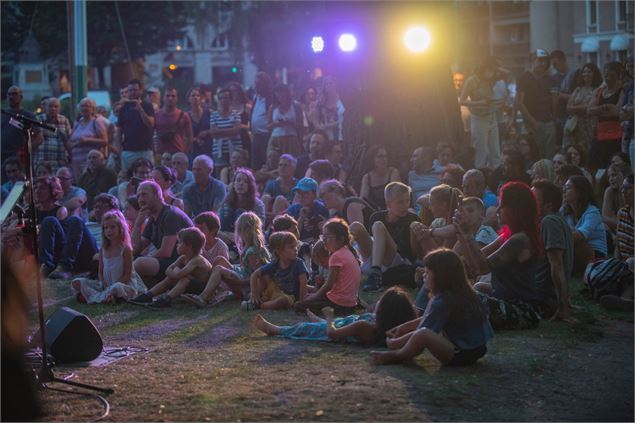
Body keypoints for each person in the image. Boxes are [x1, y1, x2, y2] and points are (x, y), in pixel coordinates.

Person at [370, 249, 493, 366]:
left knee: (423, 334)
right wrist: (404, 327)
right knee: (427, 332)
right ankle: (398, 352)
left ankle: (397, 355)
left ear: (441, 276)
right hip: (479, 349)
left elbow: (423, 332)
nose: (424, 275)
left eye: (427, 272)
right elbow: (428, 317)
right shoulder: (464, 292)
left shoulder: (442, 301)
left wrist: (396, 343)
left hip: (460, 354)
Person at [454, 182, 543, 330]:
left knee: (463, 296)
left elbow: (483, 267)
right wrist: (461, 234)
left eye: (502, 206)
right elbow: (474, 265)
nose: (498, 210)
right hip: (504, 301)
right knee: (478, 288)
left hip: (522, 311)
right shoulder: (507, 236)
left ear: (516, 210)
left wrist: (468, 234)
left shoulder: (520, 240)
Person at [254, 287, 416, 347]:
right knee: (334, 322)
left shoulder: (365, 327)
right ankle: (320, 321)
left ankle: (274, 329)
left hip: (334, 331)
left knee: (303, 328)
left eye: (380, 303)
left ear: (385, 312)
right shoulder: (382, 328)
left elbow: (332, 333)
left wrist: (330, 316)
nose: (377, 303)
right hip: (344, 325)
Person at [184, 212, 270, 305]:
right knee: (219, 260)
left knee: (219, 269)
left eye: (240, 230)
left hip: (247, 287)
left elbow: (260, 275)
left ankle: (203, 297)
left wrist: (245, 286)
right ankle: (211, 292)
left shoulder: (252, 252)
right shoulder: (248, 247)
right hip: (243, 275)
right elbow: (246, 269)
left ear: (244, 231)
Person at [350, 182, 420, 291]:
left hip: (398, 263)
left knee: (378, 225)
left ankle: (375, 273)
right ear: (388, 204)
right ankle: (346, 265)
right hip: (376, 260)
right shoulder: (377, 216)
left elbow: (413, 253)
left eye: (407, 201)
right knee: (355, 226)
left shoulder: (412, 219)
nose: (405, 205)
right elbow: (372, 241)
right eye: (400, 202)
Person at [71, 210, 145, 304]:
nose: (108, 230)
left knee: (117, 287)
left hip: (123, 285)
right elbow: (100, 272)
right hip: (106, 285)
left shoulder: (125, 249)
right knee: (77, 282)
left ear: (120, 228)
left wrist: (112, 287)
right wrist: (105, 285)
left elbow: (127, 275)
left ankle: (99, 297)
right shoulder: (103, 249)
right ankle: (106, 296)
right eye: (105, 228)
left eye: (112, 227)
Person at [131, 227, 213, 308]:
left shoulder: (197, 259)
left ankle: (167, 299)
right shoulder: (183, 257)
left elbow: (179, 274)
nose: (177, 245)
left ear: (189, 246)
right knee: (170, 278)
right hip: (190, 286)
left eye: (180, 243)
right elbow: (167, 271)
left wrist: (176, 271)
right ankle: (148, 295)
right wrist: (176, 273)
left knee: (184, 279)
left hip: (202, 289)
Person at [293, 218, 361, 315]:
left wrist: (315, 296)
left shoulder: (336, 256)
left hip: (338, 304)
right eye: (322, 237)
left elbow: (329, 285)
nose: (323, 240)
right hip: (351, 304)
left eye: (327, 237)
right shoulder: (347, 252)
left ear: (341, 239)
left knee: (299, 305)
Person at [36, 177, 98, 280]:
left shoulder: (61, 210)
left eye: (42, 188)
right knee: (49, 220)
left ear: (53, 191)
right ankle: (46, 266)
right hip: (60, 255)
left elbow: (78, 201)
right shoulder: (31, 210)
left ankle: (64, 267)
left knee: (74, 220)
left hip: (79, 252)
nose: (37, 191)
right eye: (36, 188)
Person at [132, 180, 193, 283]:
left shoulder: (170, 214)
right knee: (127, 259)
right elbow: (136, 249)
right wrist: (137, 224)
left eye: (144, 195)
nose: (140, 199)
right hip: (169, 262)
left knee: (139, 263)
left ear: (157, 195)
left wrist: (145, 259)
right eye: (138, 196)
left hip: (182, 264)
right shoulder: (153, 218)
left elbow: (165, 252)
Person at [531, 180, 575, 321]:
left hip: (542, 299)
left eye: (534, 199)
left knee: (482, 288)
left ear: (548, 205)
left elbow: (557, 266)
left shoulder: (549, 222)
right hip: (543, 296)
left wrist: (563, 309)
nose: (529, 203)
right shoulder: (555, 220)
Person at [241, 231, 309, 310]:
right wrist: (254, 293)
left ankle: (259, 305)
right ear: (279, 251)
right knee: (264, 276)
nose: (296, 249)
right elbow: (254, 275)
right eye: (291, 247)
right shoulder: (275, 264)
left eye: (296, 246)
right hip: (275, 291)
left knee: (283, 300)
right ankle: (256, 300)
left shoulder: (299, 263)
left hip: (290, 296)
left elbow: (303, 281)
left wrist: (301, 302)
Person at [511, 49, 556, 159]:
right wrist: (532, 122)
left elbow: (553, 99)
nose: (543, 64)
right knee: (535, 153)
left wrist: (553, 118)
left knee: (550, 154)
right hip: (533, 122)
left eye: (545, 61)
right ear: (532, 61)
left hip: (549, 121)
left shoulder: (549, 79)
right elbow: (519, 103)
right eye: (540, 61)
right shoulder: (523, 78)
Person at [600, 174, 634, 311]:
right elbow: (619, 245)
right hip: (625, 266)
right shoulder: (623, 213)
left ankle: (625, 301)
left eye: (628, 188)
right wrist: (615, 264)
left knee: (631, 264)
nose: (623, 191)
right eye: (622, 188)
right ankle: (626, 302)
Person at [460, 57, 502, 169]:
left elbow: (506, 72)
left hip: (492, 116)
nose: (491, 73)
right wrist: (479, 103)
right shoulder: (472, 80)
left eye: (494, 71)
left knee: (495, 149)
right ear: (483, 68)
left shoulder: (492, 79)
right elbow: (462, 101)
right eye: (490, 70)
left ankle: (496, 173)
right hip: (479, 118)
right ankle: (479, 172)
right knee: (481, 150)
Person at [561, 175, 608, 274]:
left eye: (568, 188)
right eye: (564, 188)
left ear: (580, 192)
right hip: (575, 252)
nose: (564, 191)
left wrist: (559, 232)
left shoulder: (592, 212)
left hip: (596, 255)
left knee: (577, 241)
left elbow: (580, 236)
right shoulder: (565, 211)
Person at [587, 62, 625, 173]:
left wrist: (598, 110)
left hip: (616, 135)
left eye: (611, 75)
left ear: (618, 75)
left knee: (613, 166)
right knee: (592, 165)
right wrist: (606, 107)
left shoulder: (622, 90)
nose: (608, 78)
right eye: (606, 75)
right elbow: (589, 110)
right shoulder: (599, 91)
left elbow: (618, 111)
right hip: (599, 134)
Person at [1, 86, 42, 180]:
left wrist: (25, 150)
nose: (11, 96)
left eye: (14, 94)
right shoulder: (3, 114)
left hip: (20, 160)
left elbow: (39, 138)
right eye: (9, 94)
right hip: (3, 160)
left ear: (21, 97)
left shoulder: (27, 116)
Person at [115, 79, 155, 173]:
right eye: (130, 90)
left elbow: (150, 124)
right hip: (128, 151)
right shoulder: (123, 108)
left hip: (145, 150)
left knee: (147, 178)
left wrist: (140, 109)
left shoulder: (147, 106)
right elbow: (119, 130)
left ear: (141, 90)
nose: (132, 92)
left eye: (135, 90)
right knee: (128, 178)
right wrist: (119, 150)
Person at [563, 63, 603, 154]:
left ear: (594, 74)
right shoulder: (578, 89)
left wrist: (576, 108)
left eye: (589, 72)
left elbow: (590, 107)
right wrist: (583, 107)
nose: (586, 74)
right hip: (575, 124)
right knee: (573, 150)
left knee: (587, 150)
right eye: (584, 72)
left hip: (590, 125)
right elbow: (568, 108)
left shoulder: (597, 89)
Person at [218, 168, 265, 241]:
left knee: (241, 212)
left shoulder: (258, 204)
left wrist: (236, 237)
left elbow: (259, 228)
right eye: (238, 180)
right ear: (233, 184)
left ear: (250, 186)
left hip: (247, 239)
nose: (241, 183)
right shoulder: (226, 201)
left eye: (245, 181)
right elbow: (219, 223)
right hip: (226, 237)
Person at [201, 88, 242, 169]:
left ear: (230, 100)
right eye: (221, 98)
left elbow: (237, 131)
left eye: (225, 98)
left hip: (235, 150)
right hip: (219, 151)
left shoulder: (235, 114)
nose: (223, 100)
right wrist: (230, 130)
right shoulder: (214, 115)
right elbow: (213, 133)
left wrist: (219, 131)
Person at [70, 98, 108, 180]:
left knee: (89, 183)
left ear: (93, 109)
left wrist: (88, 140)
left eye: (87, 106)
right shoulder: (77, 123)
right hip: (76, 161)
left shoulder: (96, 122)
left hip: (91, 161)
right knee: (79, 183)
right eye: (82, 106)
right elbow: (70, 140)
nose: (84, 108)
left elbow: (105, 141)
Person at [33, 97, 72, 173]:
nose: (53, 109)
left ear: (59, 108)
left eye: (56, 106)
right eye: (50, 106)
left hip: (59, 163)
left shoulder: (64, 120)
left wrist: (70, 156)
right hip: (41, 162)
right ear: (45, 107)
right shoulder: (37, 120)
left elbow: (68, 140)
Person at [267, 83, 306, 158]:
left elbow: (301, 126)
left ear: (287, 92)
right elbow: (268, 127)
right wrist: (275, 123)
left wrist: (289, 123)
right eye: (277, 92)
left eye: (282, 92)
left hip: (291, 139)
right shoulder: (272, 107)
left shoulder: (296, 106)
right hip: (276, 138)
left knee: (292, 162)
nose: (280, 95)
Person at [286, 177, 330, 242]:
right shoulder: (293, 209)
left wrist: (318, 227)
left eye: (305, 193)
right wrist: (301, 219)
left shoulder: (322, 209)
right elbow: (290, 235)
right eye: (299, 193)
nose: (301, 196)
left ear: (315, 194)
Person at [154, 87, 193, 158]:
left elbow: (190, 137)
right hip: (160, 154)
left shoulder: (184, 116)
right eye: (167, 96)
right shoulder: (156, 115)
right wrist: (154, 151)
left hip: (177, 153)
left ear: (177, 98)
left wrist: (184, 153)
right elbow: (150, 134)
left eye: (173, 96)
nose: (170, 98)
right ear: (163, 98)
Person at [360, 145, 401, 211]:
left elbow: (395, 195)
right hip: (374, 212)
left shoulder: (393, 172)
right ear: (372, 159)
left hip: (393, 210)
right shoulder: (367, 178)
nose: (384, 159)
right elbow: (363, 200)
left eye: (385, 156)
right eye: (380, 157)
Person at [250, 72, 273, 169]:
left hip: (266, 136)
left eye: (258, 84)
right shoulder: (256, 97)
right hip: (256, 135)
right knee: (255, 164)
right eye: (255, 83)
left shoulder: (270, 99)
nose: (256, 86)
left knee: (266, 163)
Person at [602, 162, 631, 234]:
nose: (611, 179)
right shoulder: (610, 191)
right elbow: (604, 218)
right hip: (617, 231)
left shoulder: (631, 191)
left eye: (614, 175)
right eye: (609, 176)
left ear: (624, 175)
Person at [316, 76, 345, 143]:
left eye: (331, 83)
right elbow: (316, 120)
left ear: (335, 84)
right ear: (324, 86)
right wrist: (320, 128)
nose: (329, 85)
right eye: (327, 83)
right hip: (325, 134)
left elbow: (345, 118)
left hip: (340, 132)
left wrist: (329, 125)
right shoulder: (320, 102)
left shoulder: (342, 99)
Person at [187, 87, 213, 161]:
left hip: (208, 148)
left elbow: (216, 128)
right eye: (193, 95)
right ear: (188, 99)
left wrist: (207, 132)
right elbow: (183, 135)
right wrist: (196, 139)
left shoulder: (209, 113)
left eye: (198, 95)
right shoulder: (186, 116)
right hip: (193, 150)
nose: (195, 97)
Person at [227, 81, 252, 153]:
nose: (233, 93)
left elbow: (252, 127)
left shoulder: (247, 108)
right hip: (229, 141)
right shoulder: (226, 109)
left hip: (244, 139)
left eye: (235, 90)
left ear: (239, 92)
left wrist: (241, 126)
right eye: (230, 91)